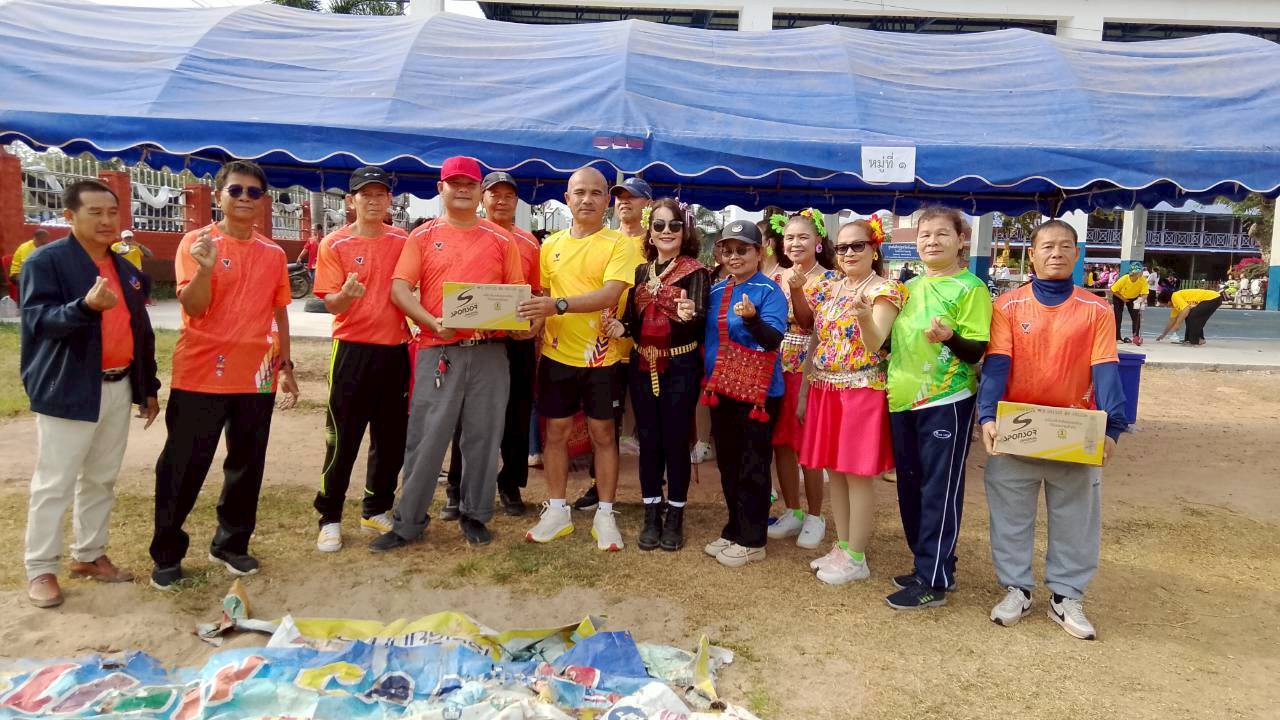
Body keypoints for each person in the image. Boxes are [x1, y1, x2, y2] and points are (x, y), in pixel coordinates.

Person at [150, 160, 299, 590]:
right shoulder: (197, 243)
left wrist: (286, 366)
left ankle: (231, 544)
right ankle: (167, 552)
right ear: (219, 196)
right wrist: (205, 268)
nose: (245, 198)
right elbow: (194, 306)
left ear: (263, 200)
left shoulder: (273, 254)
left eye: (254, 192)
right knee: (183, 466)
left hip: (257, 375)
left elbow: (278, 312)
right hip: (202, 373)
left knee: (247, 466)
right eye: (236, 190)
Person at [978, 219, 1127, 640]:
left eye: (1065, 246)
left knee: (1076, 518)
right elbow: (997, 365)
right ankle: (1017, 589)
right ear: (1033, 255)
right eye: (1047, 246)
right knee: (1010, 515)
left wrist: (1113, 427)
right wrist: (987, 416)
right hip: (1017, 427)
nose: (1056, 253)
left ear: (1077, 254)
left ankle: (1066, 595)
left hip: (1074, 431)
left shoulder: (1096, 310)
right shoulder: (1007, 306)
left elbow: (1106, 370)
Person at [19, 180, 160, 608]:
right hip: (69, 387)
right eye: (95, 212)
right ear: (70, 217)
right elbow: (38, 320)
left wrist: (147, 388)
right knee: (55, 482)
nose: (106, 220)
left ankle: (89, 554)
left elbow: (141, 331)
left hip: (118, 385)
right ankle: (41, 567)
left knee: (101, 478)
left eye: (112, 212)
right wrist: (84, 308)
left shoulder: (126, 268)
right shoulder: (47, 262)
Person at [371, 156, 524, 551]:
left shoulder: (501, 240)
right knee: (426, 437)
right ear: (441, 188)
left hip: (490, 352)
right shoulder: (422, 236)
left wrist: (512, 319)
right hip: (438, 349)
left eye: (470, 184)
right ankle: (408, 522)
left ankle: (475, 514)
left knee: (484, 438)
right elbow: (400, 290)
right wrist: (432, 321)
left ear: (480, 192)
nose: (462, 190)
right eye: (455, 183)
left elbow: (515, 297)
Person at [517, 167, 637, 550]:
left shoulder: (619, 244)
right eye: (580, 192)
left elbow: (610, 294)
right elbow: (543, 299)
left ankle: (605, 513)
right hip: (557, 356)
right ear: (567, 198)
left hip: (603, 359)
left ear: (607, 201)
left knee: (604, 435)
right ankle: (556, 510)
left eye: (596, 193)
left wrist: (557, 306)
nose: (587, 199)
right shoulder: (549, 245)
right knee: (556, 433)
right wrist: (530, 327)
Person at [884, 206, 992, 610]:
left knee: (938, 490)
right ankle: (928, 563)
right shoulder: (907, 287)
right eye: (925, 235)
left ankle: (933, 580)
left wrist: (949, 337)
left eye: (942, 234)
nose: (932, 241)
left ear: (961, 240)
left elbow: (976, 350)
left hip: (945, 400)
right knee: (910, 485)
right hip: (902, 398)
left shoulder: (971, 288)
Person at [798, 217, 903, 585]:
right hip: (826, 388)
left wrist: (863, 317)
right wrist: (805, 387)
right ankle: (843, 546)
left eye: (858, 245)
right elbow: (814, 334)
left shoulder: (885, 290)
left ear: (874, 249)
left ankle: (857, 556)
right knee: (836, 472)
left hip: (862, 389)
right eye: (842, 247)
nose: (848, 253)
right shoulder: (829, 287)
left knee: (857, 475)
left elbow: (875, 343)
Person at [311, 167, 411, 553]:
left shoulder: (403, 241)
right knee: (342, 437)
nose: (373, 200)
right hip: (352, 351)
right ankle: (329, 517)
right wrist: (346, 297)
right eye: (364, 194)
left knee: (390, 438)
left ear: (389, 200)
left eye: (379, 194)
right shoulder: (334, 243)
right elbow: (331, 303)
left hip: (395, 350)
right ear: (350, 200)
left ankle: (376, 507)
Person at [606, 198, 708, 551]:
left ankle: (675, 515)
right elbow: (632, 320)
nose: (667, 231)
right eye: (659, 225)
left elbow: (701, 321)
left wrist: (690, 314)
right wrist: (620, 327)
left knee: (675, 441)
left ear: (685, 230)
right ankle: (651, 512)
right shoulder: (640, 272)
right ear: (650, 232)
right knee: (648, 440)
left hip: (680, 367)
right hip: (641, 365)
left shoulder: (696, 272)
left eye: (674, 225)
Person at [443, 171, 542, 518]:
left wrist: (534, 326)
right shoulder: (468, 234)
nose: (501, 201)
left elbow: (537, 292)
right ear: (483, 198)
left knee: (516, 414)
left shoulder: (529, 242)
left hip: (516, 342)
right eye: (494, 194)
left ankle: (510, 484)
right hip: (475, 340)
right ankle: (456, 487)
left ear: (517, 201)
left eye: (509, 196)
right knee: (467, 417)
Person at [700, 219, 788, 568]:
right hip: (721, 388)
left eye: (742, 250)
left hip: (758, 395)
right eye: (728, 250)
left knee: (753, 464)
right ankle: (734, 528)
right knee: (728, 463)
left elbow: (773, 340)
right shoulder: (716, 291)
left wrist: (752, 318)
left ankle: (753, 540)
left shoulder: (769, 291)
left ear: (759, 252)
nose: (734, 256)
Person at [572, 176, 653, 508]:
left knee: (650, 421)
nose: (625, 202)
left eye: (633, 197)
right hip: (603, 349)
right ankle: (598, 487)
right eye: (620, 196)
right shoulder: (603, 239)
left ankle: (654, 489)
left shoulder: (655, 243)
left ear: (647, 205)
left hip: (646, 347)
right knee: (603, 425)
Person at [768, 209, 838, 549]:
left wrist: (797, 291)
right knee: (780, 442)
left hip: (809, 368)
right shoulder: (775, 276)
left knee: (807, 444)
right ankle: (792, 510)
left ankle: (814, 515)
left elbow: (812, 326)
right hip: (776, 366)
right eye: (790, 237)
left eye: (803, 237)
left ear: (818, 241)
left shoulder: (830, 280)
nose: (795, 243)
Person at [1156, 287, 1226, 346]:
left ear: (1168, 302)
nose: (1165, 306)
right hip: (1213, 298)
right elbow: (1172, 320)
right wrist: (1163, 335)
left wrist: (1177, 324)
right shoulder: (1175, 306)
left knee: (1192, 316)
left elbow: (1186, 309)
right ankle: (1191, 339)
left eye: (1164, 305)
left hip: (1213, 298)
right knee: (1190, 315)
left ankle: (1196, 340)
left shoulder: (1175, 297)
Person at [9, 228, 53, 301]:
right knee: (34, 282)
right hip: (17, 274)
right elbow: (27, 268)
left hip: (31, 272)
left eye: (46, 242)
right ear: (35, 239)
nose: (45, 245)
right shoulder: (26, 247)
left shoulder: (42, 247)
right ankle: (26, 303)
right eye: (42, 243)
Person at [1110, 263, 1148, 345]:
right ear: (1135, 273)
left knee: (1136, 317)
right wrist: (1123, 298)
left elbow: (1145, 293)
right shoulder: (1124, 278)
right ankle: (1117, 337)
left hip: (1133, 297)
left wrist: (1141, 300)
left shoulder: (1142, 280)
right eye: (1140, 271)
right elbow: (1113, 289)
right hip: (1119, 296)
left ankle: (1135, 336)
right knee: (1118, 317)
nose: (1142, 273)